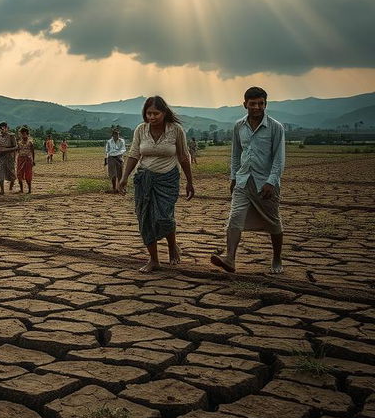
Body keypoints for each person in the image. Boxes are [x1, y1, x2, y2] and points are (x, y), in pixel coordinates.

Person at [211, 86, 285, 276]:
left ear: (265, 104)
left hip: (265, 184)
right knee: (234, 218)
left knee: (273, 222)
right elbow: (236, 155)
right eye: (253, 104)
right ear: (245, 104)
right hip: (243, 181)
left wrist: (272, 181)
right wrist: (233, 177)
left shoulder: (276, 127)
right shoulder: (239, 126)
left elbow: (279, 159)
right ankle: (230, 258)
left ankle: (277, 258)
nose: (257, 107)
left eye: (261, 103)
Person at [118, 95, 194, 272]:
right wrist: (124, 177)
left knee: (164, 217)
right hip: (144, 179)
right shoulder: (141, 129)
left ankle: (172, 246)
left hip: (168, 180)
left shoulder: (176, 130)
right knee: (144, 218)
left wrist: (189, 182)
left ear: (164, 113)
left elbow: (183, 156)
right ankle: (153, 260)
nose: (151, 117)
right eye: (148, 113)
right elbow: (134, 154)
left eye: (155, 113)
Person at [0, 121, 17, 194]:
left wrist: (6, 150)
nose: (2, 130)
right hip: (0, 157)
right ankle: (2, 190)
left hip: (9, 157)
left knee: (11, 173)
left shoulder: (11, 136)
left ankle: (11, 184)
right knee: (0, 173)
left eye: (3, 128)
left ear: (7, 128)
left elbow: (16, 147)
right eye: (0, 129)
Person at [104, 127, 126, 193]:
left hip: (119, 158)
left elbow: (123, 149)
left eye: (118, 134)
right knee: (113, 174)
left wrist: (117, 154)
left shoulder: (122, 141)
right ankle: (114, 188)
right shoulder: (109, 142)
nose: (117, 136)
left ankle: (120, 188)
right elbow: (107, 151)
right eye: (115, 134)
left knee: (120, 174)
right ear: (112, 135)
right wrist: (106, 159)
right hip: (111, 158)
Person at [17, 126, 36, 192]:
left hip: (28, 160)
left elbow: (33, 152)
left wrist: (33, 160)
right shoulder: (19, 143)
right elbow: (18, 151)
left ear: (27, 134)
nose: (23, 135)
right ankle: (21, 189)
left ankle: (29, 190)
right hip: (20, 159)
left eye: (24, 133)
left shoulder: (30, 142)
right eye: (21, 134)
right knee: (19, 174)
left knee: (28, 174)